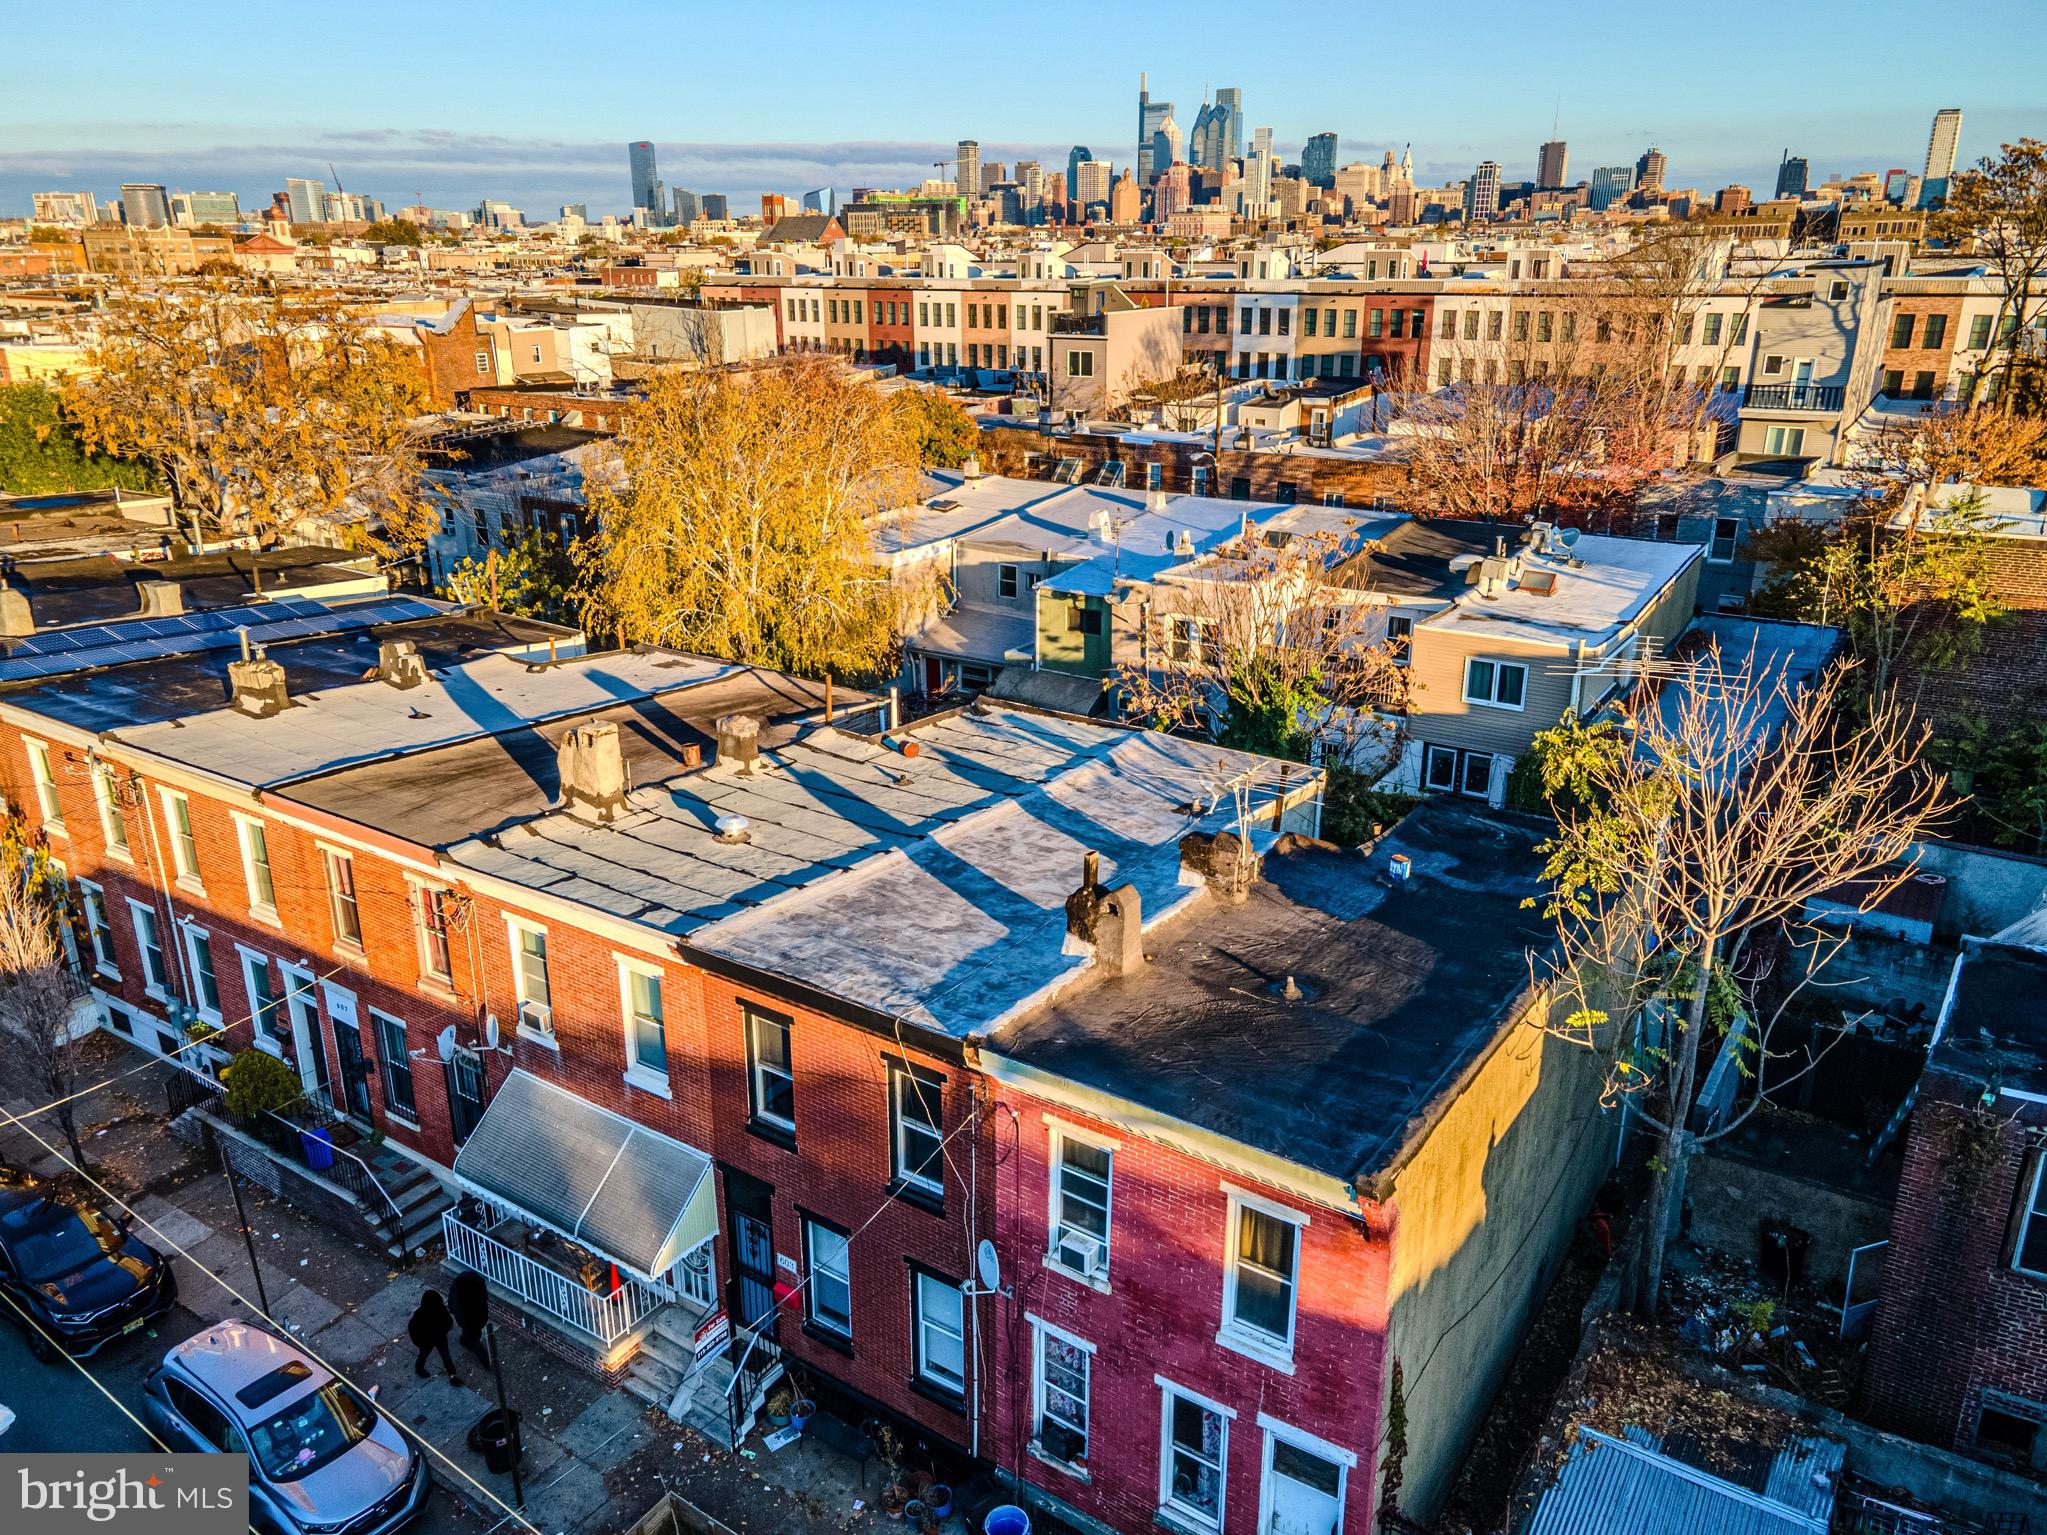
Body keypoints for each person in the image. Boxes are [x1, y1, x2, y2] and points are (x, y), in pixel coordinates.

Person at [408, 1289, 462, 1384]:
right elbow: (449, 1322)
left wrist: (419, 1343)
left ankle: (419, 1368)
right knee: (445, 1355)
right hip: (435, 1338)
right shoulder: (440, 1310)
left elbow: (412, 1329)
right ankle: (452, 1375)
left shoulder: (419, 1314)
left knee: (425, 1355)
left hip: (429, 1340)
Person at [449, 1268, 491, 1365]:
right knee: (474, 1338)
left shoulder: (458, 1286)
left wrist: (452, 1309)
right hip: (474, 1317)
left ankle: (464, 1340)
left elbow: (453, 1299)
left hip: (468, 1318)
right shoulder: (478, 1286)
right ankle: (485, 1360)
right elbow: (485, 1298)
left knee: (473, 1334)